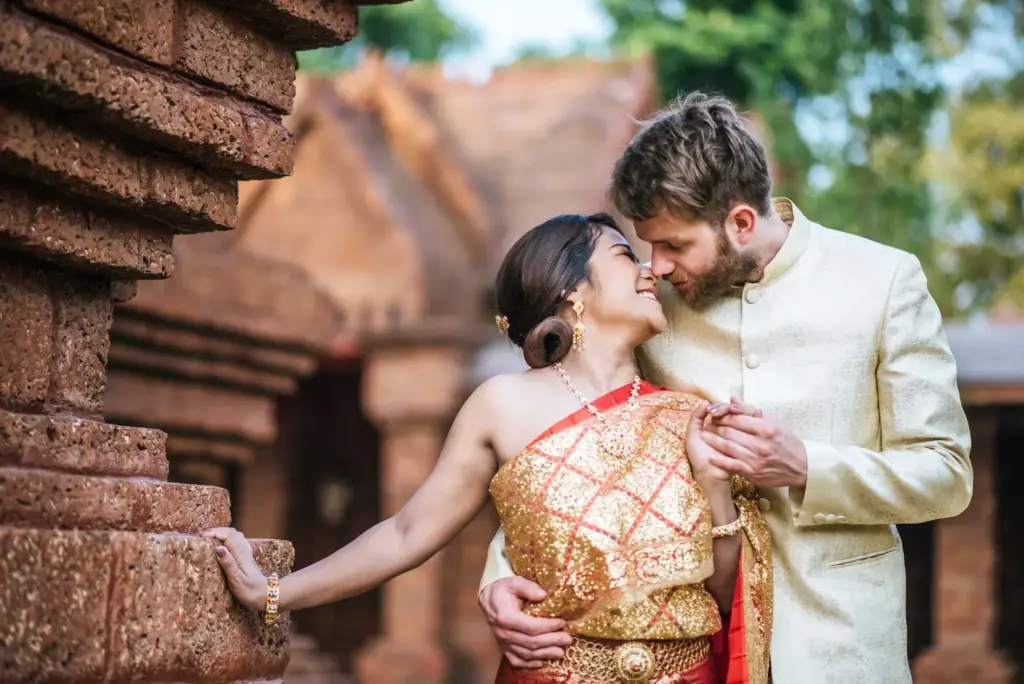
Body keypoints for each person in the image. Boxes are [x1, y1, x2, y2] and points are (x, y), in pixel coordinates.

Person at [476, 92, 973, 684]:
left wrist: (805, 466)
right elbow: (571, 448)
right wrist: (499, 574)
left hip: (838, 648)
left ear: (740, 222)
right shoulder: (650, 312)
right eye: (647, 245)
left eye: (674, 245)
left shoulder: (883, 282)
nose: (655, 267)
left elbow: (945, 475)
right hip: (687, 655)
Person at [204, 213, 774, 684]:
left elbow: (723, 597)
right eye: (626, 256)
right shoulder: (502, 405)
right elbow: (407, 534)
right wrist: (272, 593)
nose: (651, 270)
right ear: (573, 291)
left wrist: (714, 484)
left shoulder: (685, 415)